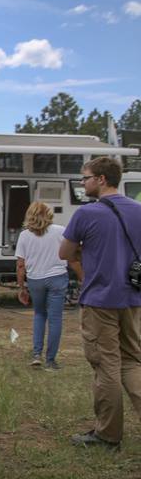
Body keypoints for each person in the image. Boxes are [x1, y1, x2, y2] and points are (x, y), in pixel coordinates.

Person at [60, 157, 141, 450]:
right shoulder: (139, 210)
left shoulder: (87, 214)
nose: (83, 183)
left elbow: (64, 252)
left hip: (99, 299)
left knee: (106, 365)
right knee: (132, 361)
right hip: (133, 298)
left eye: (86, 178)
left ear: (102, 179)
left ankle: (107, 435)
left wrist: (86, 247)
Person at [16, 202, 79, 371]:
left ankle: (37, 355)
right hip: (57, 277)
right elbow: (72, 253)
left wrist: (21, 287)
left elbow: (21, 265)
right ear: (49, 215)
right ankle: (51, 360)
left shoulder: (24, 236)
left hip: (35, 279)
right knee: (55, 319)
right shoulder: (60, 231)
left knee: (39, 314)